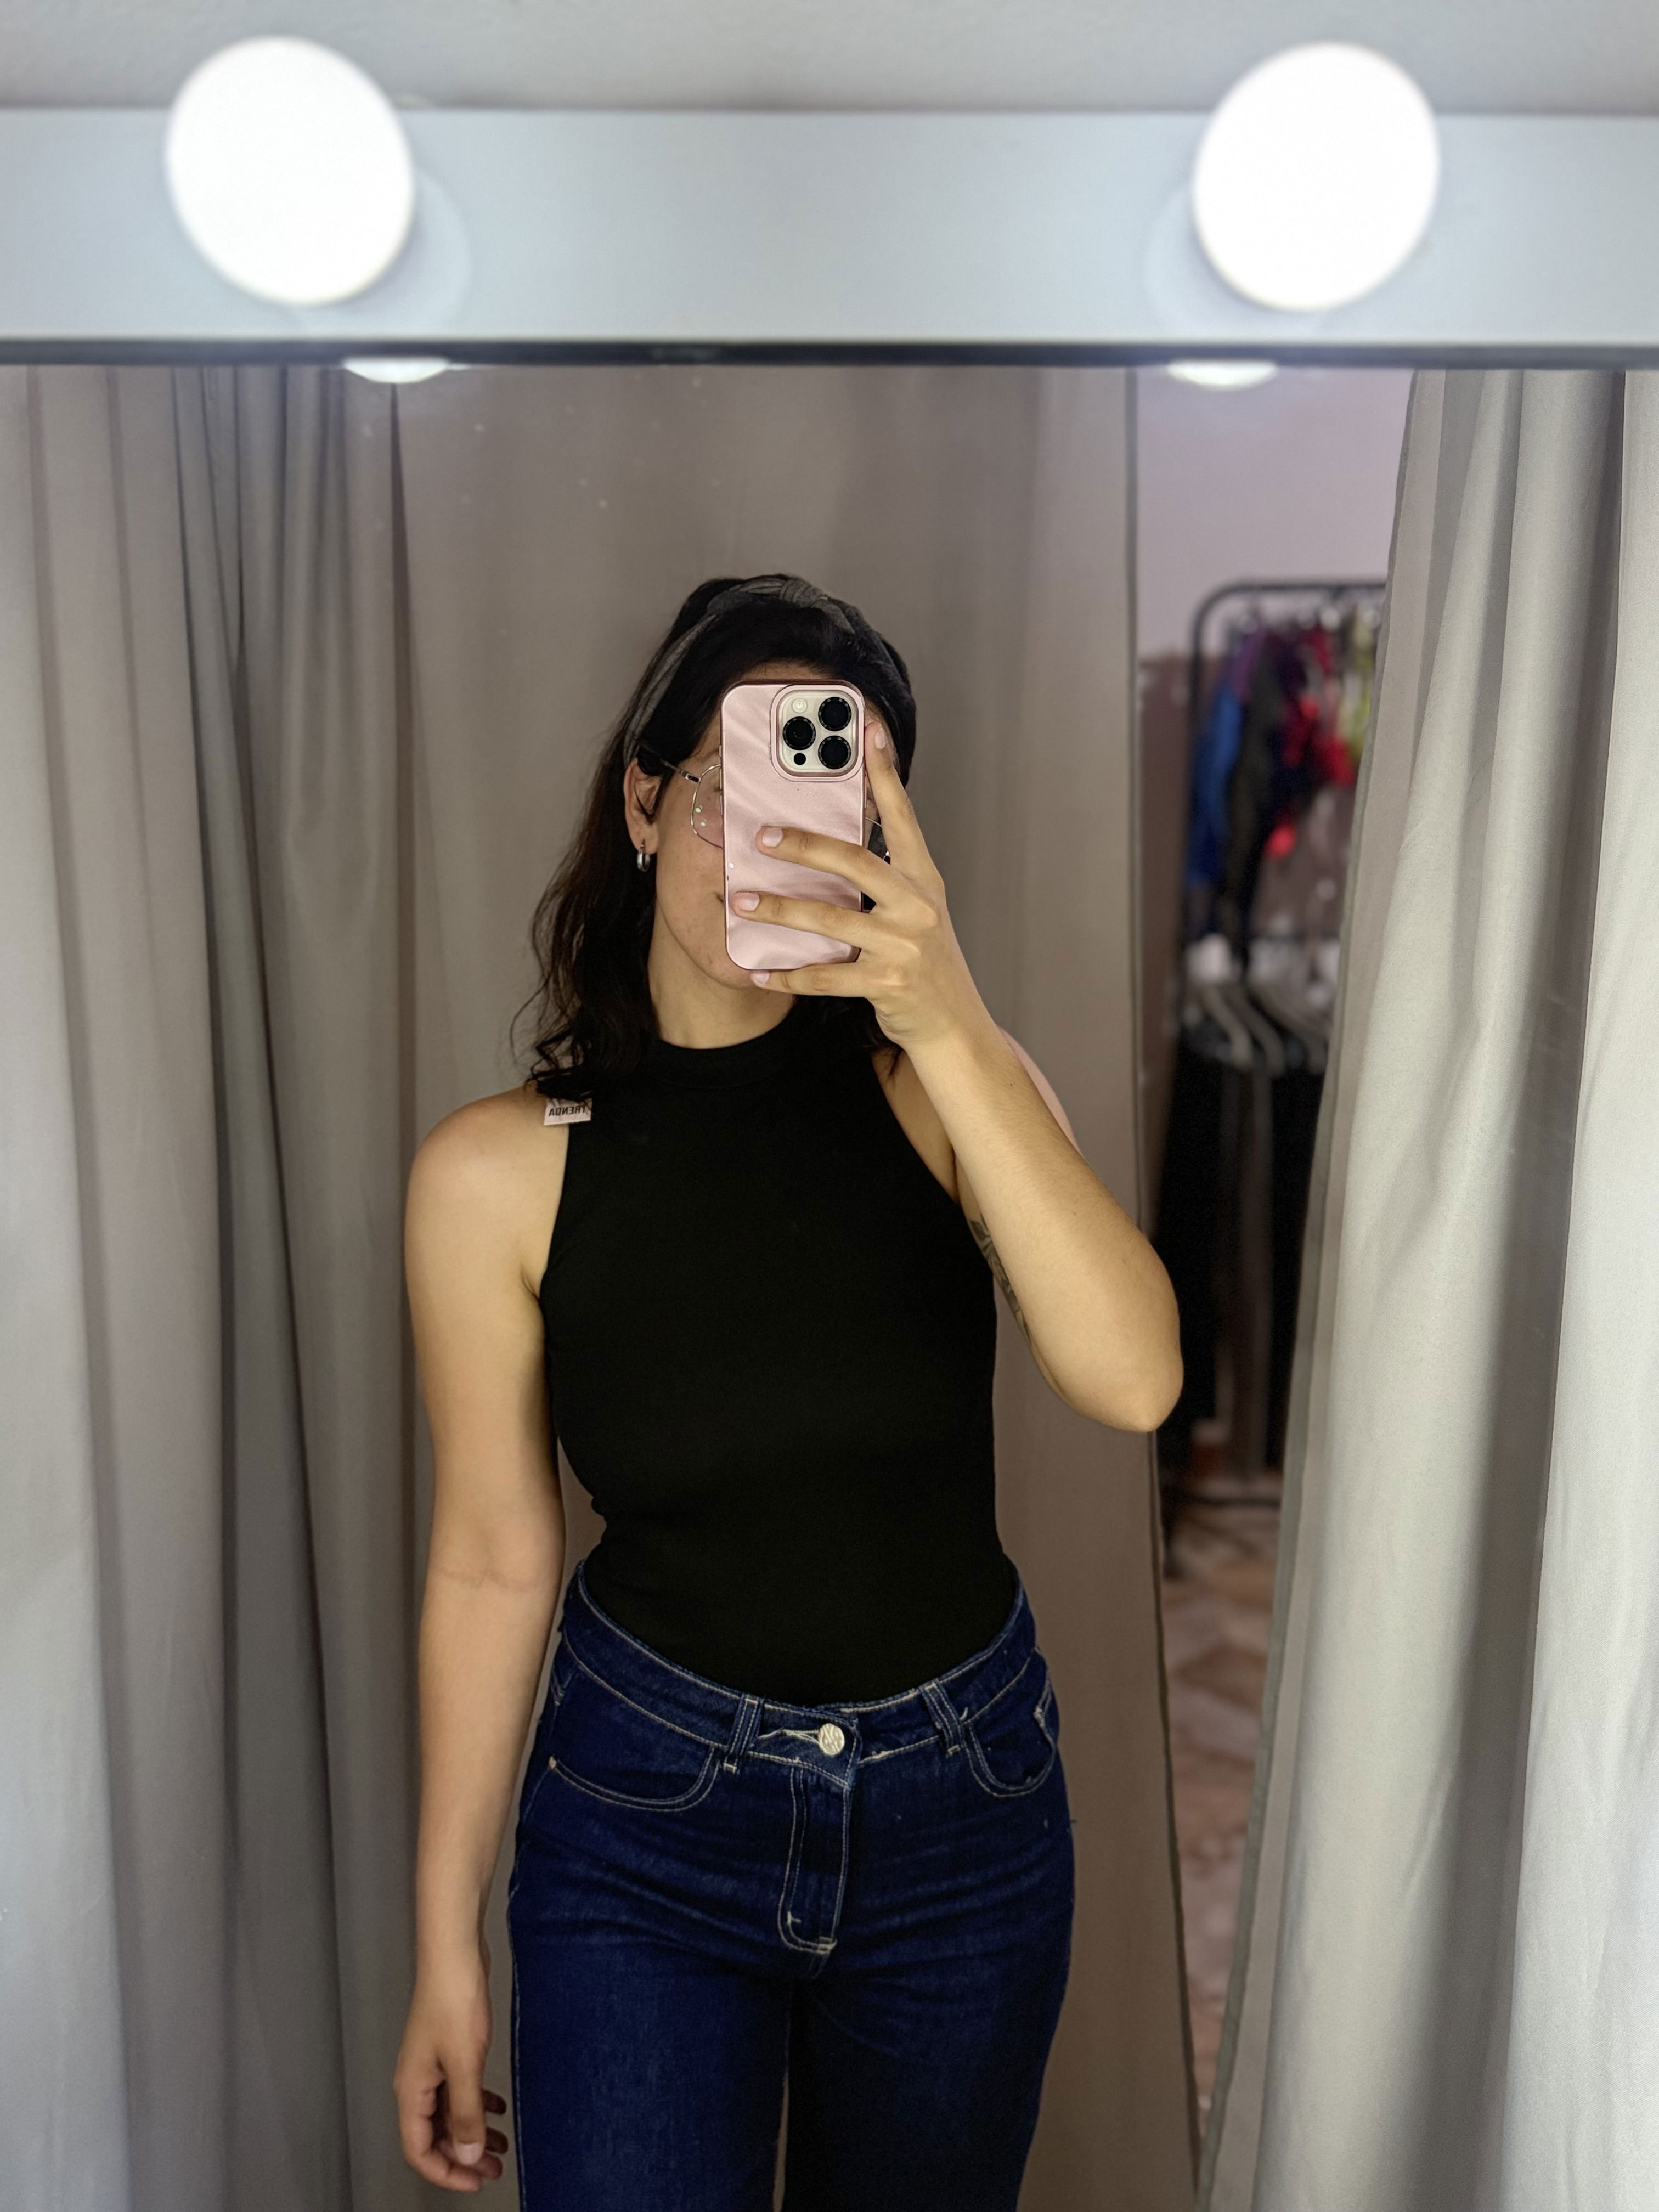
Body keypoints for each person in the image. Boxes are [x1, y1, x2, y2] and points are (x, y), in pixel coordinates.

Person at [392, 573, 1182, 2209]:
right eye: (726, 790)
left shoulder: (944, 1091)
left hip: (962, 1817)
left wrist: (948, 1013)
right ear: (640, 802)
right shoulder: (495, 1175)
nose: (770, 841)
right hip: (645, 1823)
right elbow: (490, 1561)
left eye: (830, 798)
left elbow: (1134, 1380)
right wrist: (444, 1937)